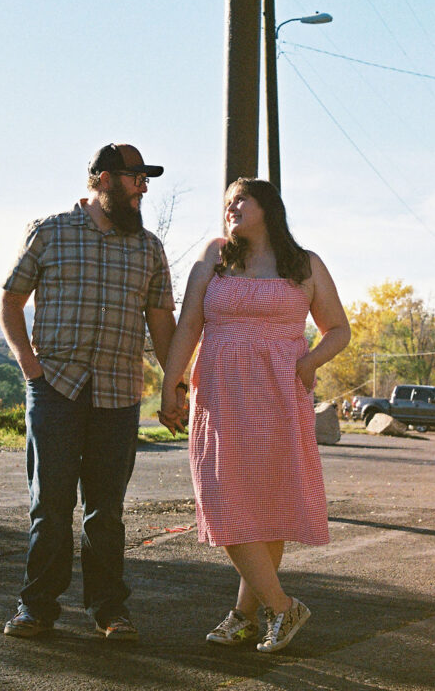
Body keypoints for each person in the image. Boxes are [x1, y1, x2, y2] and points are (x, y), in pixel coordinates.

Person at [0, 143, 182, 641]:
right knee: (51, 506)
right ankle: (35, 607)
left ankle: (109, 611)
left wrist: (177, 386)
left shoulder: (148, 248)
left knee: (107, 511)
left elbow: (163, 324)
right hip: (54, 388)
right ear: (102, 179)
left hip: (119, 394)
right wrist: (29, 366)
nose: (143, 186)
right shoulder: (50, 231)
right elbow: (11, 301)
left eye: (147, 179)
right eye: (135, 177)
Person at [160, 178, 350, 654]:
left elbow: (338, 330)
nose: (231, 209)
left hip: (279, 398)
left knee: (270, 504)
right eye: (227, 204)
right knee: (223, 500)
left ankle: (244, 617)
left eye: (240, 200)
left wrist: (308, 363)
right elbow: (188, 326)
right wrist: (171, 383)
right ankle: (283, 608)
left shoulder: (304, 264)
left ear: (267, 206)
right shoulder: (216, 256)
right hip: (221, 397)